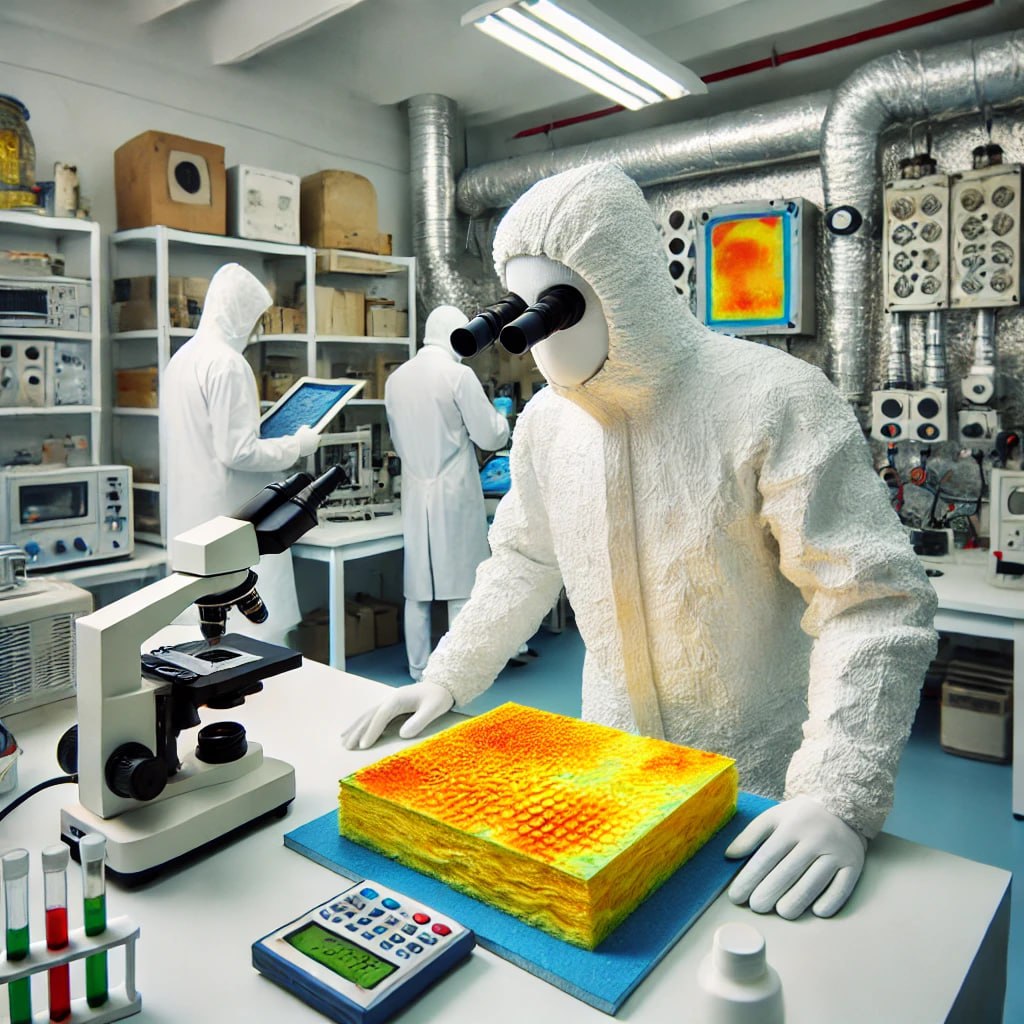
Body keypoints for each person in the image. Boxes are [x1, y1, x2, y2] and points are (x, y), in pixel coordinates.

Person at [342, 163, 938, 921]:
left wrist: (835, 792)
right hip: (615, 771)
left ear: (621, 287)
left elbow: (873, 601)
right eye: (520, 312)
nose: (538, 341)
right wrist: (448, 676)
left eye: (557, 306)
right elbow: (524, 559)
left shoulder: (771, 397)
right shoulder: (547, 425)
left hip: (758, 783)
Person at [160, 262, 320, 643]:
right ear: (240, 313)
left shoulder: (181, 359)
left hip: (192, 522)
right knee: (258, 642)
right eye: (256, 318)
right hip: (235, 522)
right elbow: (238, 453)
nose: (257, 328)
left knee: (201, 644)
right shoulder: (228, 364)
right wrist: (295, 446)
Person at [384, 304, 511, 680]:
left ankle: (419, 670)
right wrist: (503, 419)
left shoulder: (396, 379)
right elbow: (489, 434)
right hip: (454, 491)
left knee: (418, 590)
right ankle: (459, 673)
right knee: (461, 587)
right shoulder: (458, 375)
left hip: (415, 490)